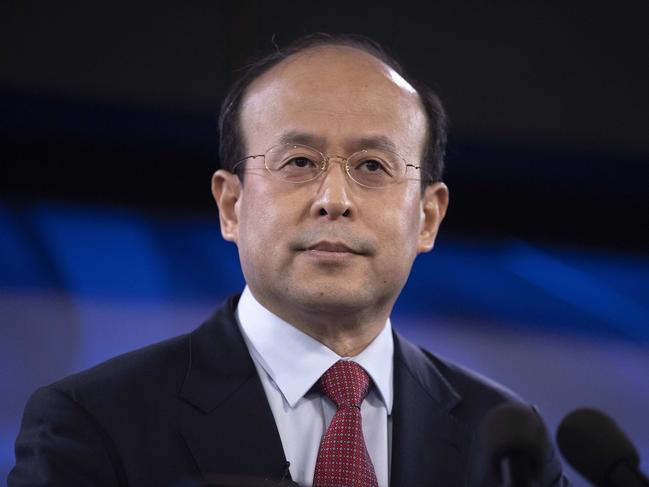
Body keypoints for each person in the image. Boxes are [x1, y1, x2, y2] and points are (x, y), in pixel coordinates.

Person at [8, 34, 569, 487]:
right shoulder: (96, 423)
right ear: (232, 205)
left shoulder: (505, 443)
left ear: (427, 217)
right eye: (298, 161)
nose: (334, 199)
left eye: (372, 167)